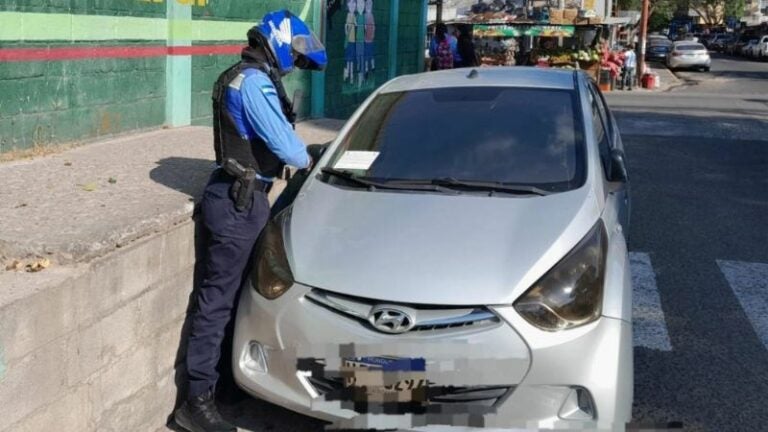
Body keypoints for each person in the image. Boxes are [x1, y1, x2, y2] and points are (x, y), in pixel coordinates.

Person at [173, 10, 327, 432]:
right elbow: (291, 151)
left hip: (240, 196)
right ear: (277, 41)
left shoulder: (248, 76)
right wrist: (313, 152)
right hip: (239, 201)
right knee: (217, 301)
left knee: (234, 296)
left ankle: (222, 387)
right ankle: (196, 401)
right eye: (293, 54)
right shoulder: (254, 83)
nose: (295, 63)